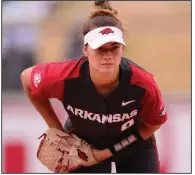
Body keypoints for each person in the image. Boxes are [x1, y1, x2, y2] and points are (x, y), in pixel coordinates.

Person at [21, 1, 167, 173]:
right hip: (82, 147)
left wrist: (106, 153)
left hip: (133, 145)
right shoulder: (66, 76)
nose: (108, 55)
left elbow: (153, 123)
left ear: (122, 48)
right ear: (85, 50)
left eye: (114, 47)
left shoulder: (142, 83)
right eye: (100, 49)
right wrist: (56, 128)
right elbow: (27, 79)